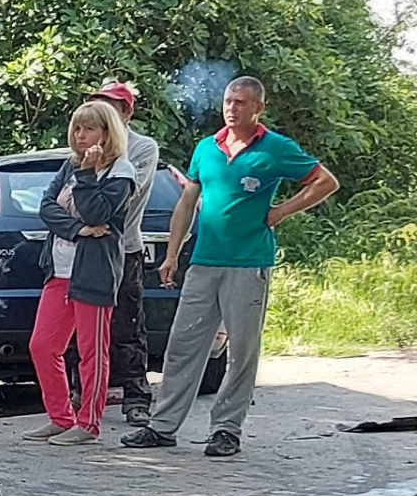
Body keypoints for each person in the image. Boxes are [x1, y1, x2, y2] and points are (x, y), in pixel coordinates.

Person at [122, 76, 339, 458]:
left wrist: (280, 212)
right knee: (183, 345)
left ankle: (226, 430)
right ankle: (163, 426)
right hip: (204, 260)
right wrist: (173, 254)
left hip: (248, 262)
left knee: (241, 351)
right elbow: (188, 201)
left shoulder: (275, 148)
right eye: (228, 100)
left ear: (258, 107)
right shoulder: (207, 148)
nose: (232, 108)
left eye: (240, 102)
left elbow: (325, 181)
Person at [25, 100, 137, 445]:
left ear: (107, 132)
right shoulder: (69, 166)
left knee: (92, 351)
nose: (80, 135)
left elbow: (97, 212)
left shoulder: (121, 173)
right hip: (59, 268)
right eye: (77, 128)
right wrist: (77, 230)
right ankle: (60, 416)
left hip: (94, 273)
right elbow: (45, 208)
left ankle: (88, 423)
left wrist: (88, 177)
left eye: (89, 128)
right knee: (42, 345)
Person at [89, 81, 160, 425]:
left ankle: (136, 398)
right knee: (83, 327)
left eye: (111, 106)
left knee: (128, 325)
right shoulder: (83, 142)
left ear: (127, 112)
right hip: (86, 248)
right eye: (98, 105)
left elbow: (125, 195)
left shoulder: (142, 148)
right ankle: (83, 395)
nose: (103, 112)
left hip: (125, 247)